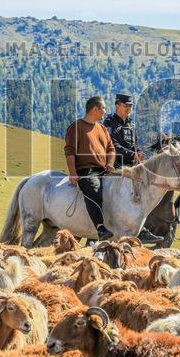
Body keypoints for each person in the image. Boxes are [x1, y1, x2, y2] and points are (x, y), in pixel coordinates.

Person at [102, 93, 163, 244]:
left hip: (130, 167)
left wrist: (139, 152)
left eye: (130, 106)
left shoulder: (130, 123)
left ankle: (140, 228)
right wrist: (131, 154)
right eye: (126, 105)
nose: (129, 108)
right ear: (117, 105)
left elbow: (134, 145)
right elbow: (112, 144)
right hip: (114, 165)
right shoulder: (109, 122)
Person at [64, 96, 116, 241]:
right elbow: (69, 151)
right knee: (94, 189)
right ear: (95, 109)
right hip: (86, 171)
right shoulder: (76, 127)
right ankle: (100, 228)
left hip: (104, 170)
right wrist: (73, 172)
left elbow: (111, 149)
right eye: (103, 108)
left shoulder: (103, 129)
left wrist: (110, 164)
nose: (105, 111)